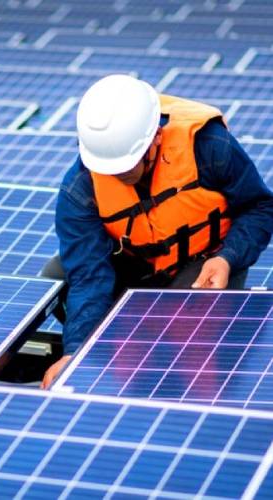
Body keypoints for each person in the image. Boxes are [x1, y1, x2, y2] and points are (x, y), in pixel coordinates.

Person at [40, 74, 273, 389]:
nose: (118, 175)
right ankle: (115, 347)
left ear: (157, 138)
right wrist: (75, 351)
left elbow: (259, 208)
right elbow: (89, 275)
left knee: (187, 331)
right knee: (57, 276)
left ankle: (184, 342)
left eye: (127, 165)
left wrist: (228, 258)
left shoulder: (210, 148)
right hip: (138, 262)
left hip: (204, 263)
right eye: (110, 168)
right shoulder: (80, 188)